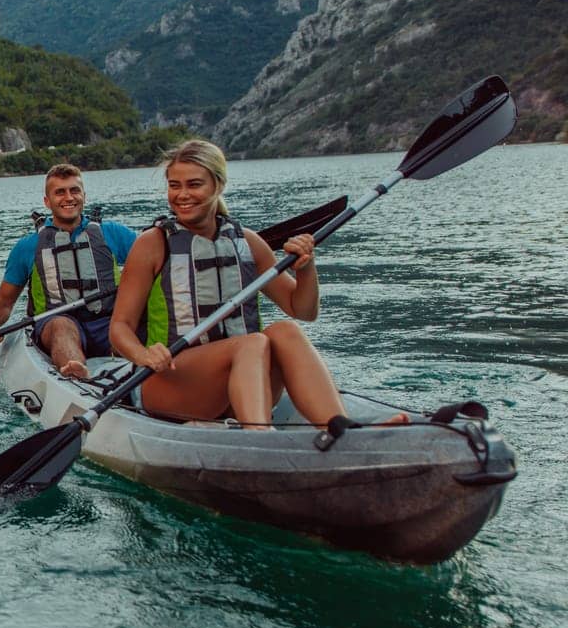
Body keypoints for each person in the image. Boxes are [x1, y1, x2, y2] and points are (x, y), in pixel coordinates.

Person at [108, 139, 384, 430]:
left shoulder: (247, 242)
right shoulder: (152, 244)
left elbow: (302, 310)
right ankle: (258, 436)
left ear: (218, 185)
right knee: (251, 343)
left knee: (285, 330)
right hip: (172, 383)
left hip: (240, 383)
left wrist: (306, 268)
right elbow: (119, 328)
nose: (182, 195)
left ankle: (337, 427)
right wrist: (143, 354)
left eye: (194, 184)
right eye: (174, 185)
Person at [0, 162, 138, 378]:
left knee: (125, 325)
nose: (68, 198)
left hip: (107, 321)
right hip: (55, 323)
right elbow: (4, 301)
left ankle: (133, 374)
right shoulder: (27, 247)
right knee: (62, 325)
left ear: (84, 196)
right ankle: (76, 372)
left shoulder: (114, 233)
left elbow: (154, 265)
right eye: (59, 192)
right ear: (47, 201)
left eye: (74, 191)